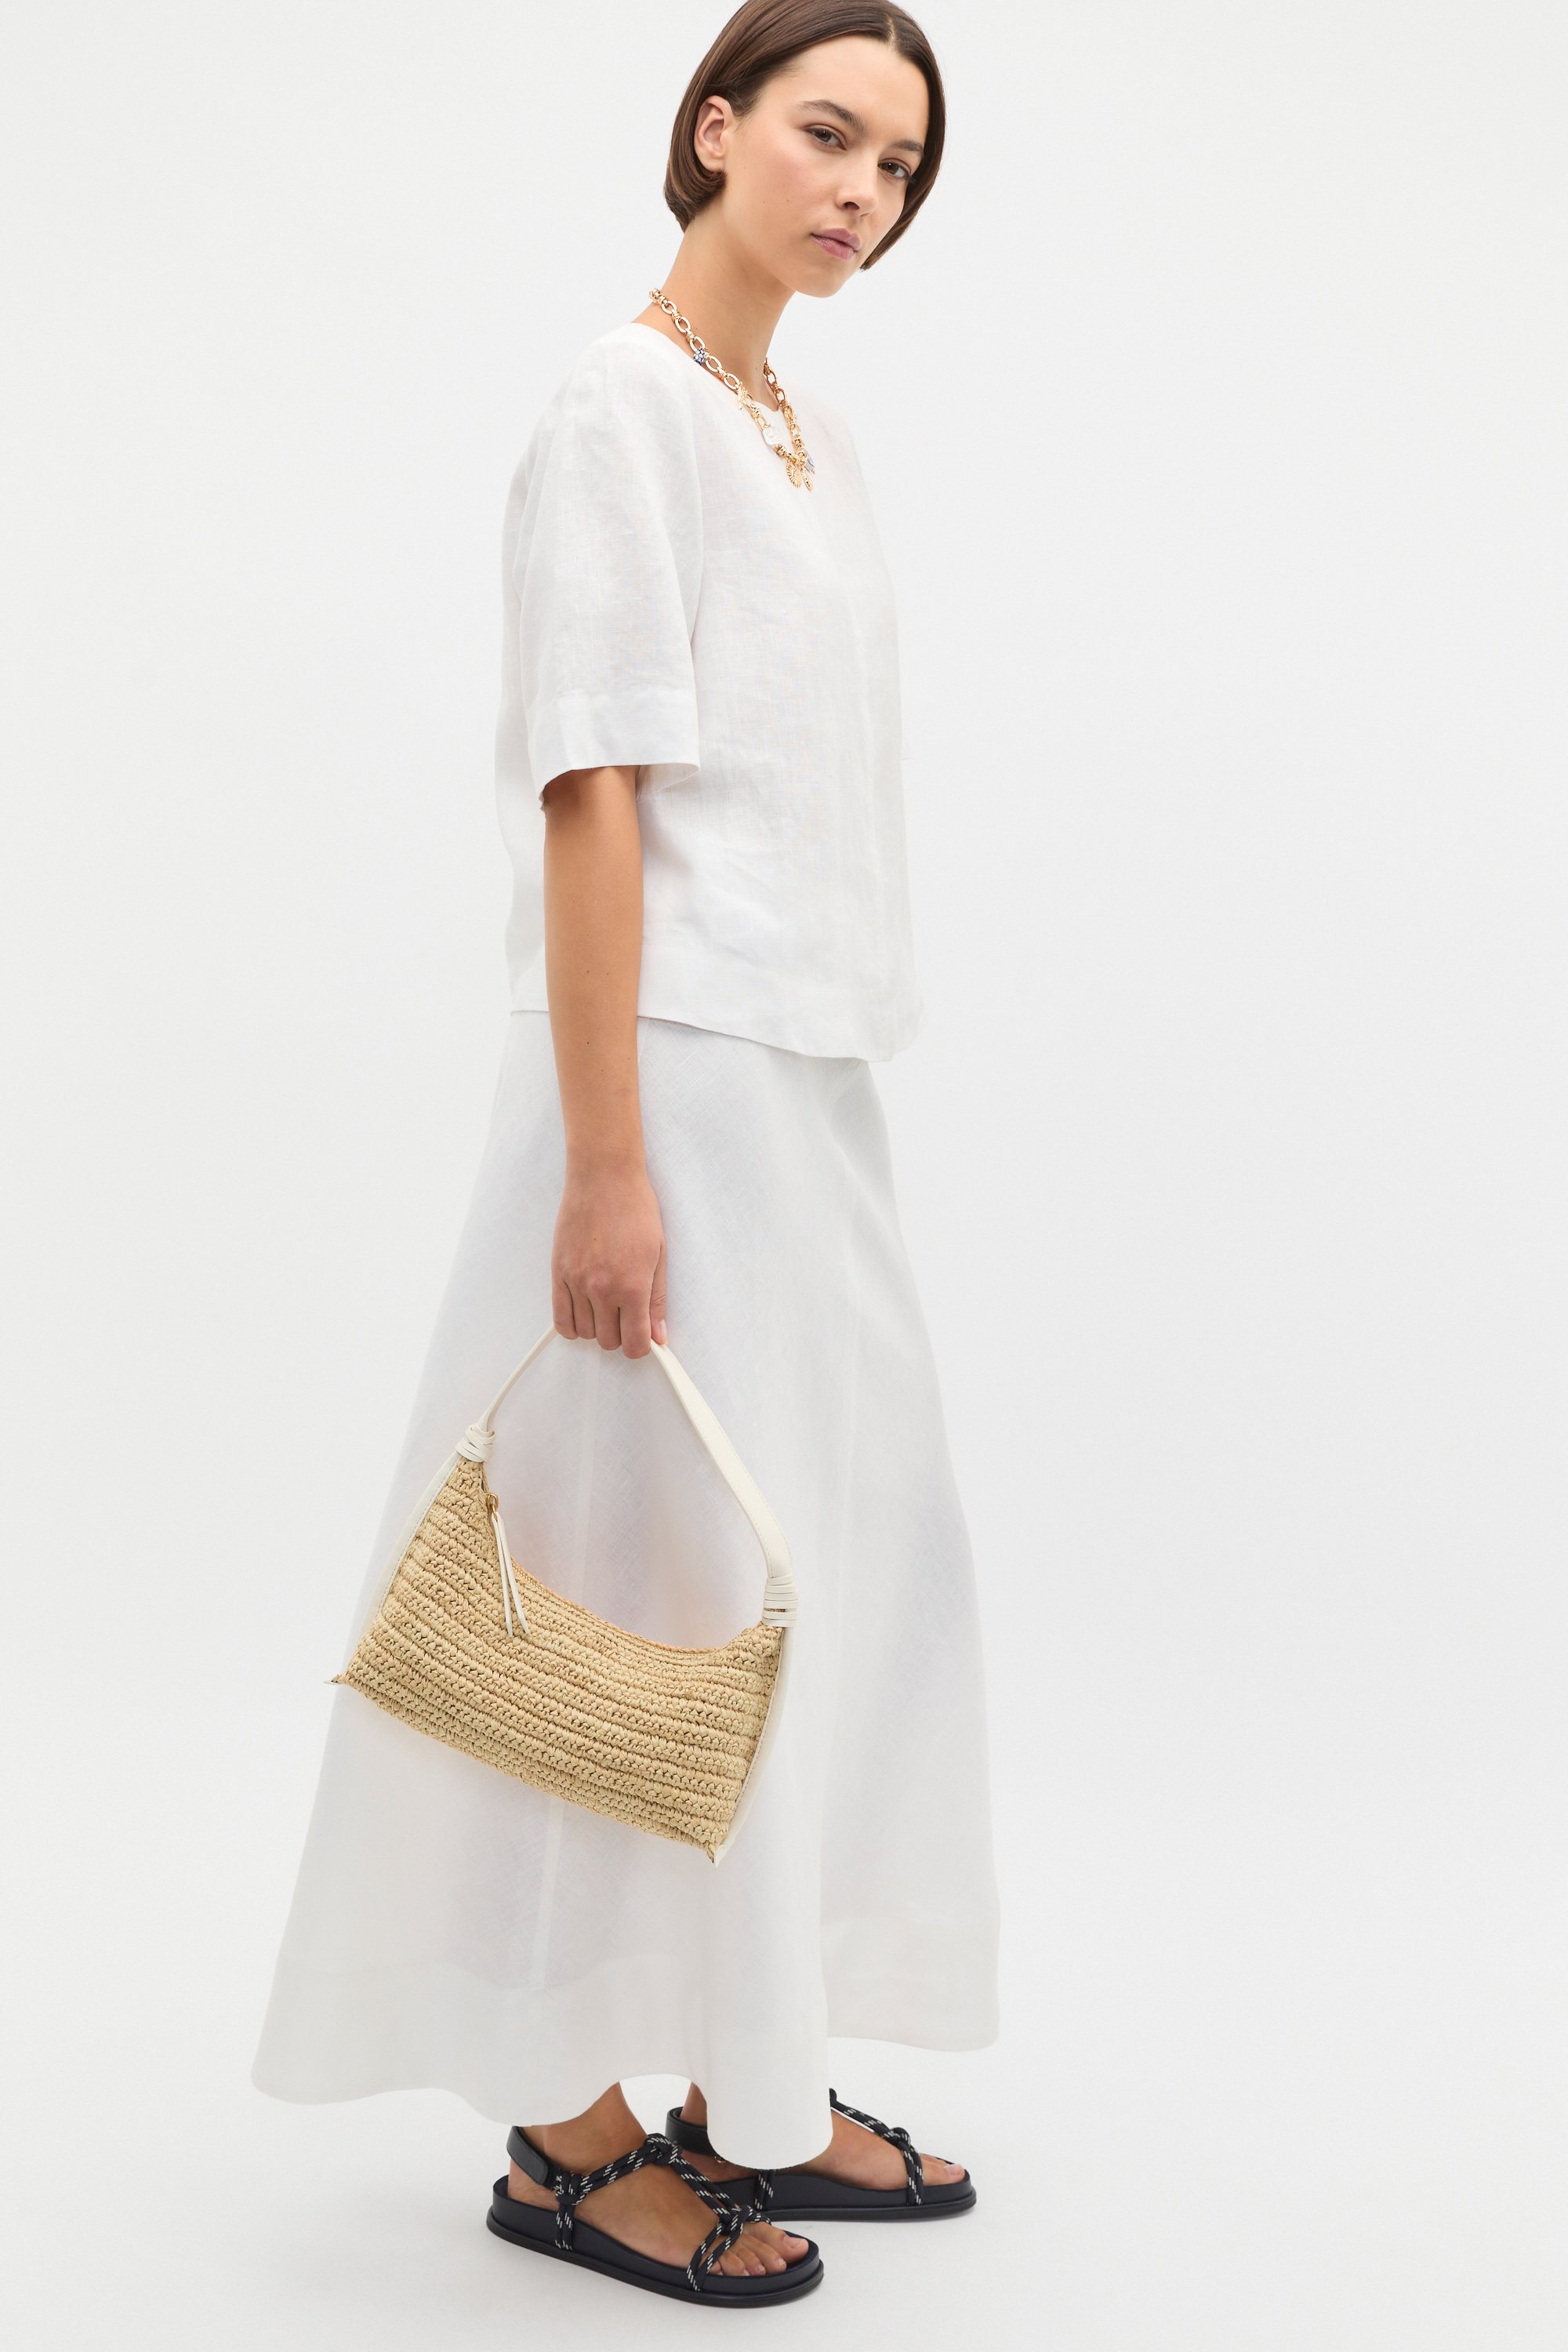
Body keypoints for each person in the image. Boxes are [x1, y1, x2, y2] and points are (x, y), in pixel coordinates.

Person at [252, 0, 1000, 2307]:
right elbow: (595, 788)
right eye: (827, 132)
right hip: (661, 1078)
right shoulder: (624, 405)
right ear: (715, 127)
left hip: (807, 1079)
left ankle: (745, 2077)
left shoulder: (810, 432)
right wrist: (605, 1163)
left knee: (813, 1581)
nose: (861, 188)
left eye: (900, 163)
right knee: (599, 1600)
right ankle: (565, 2130)